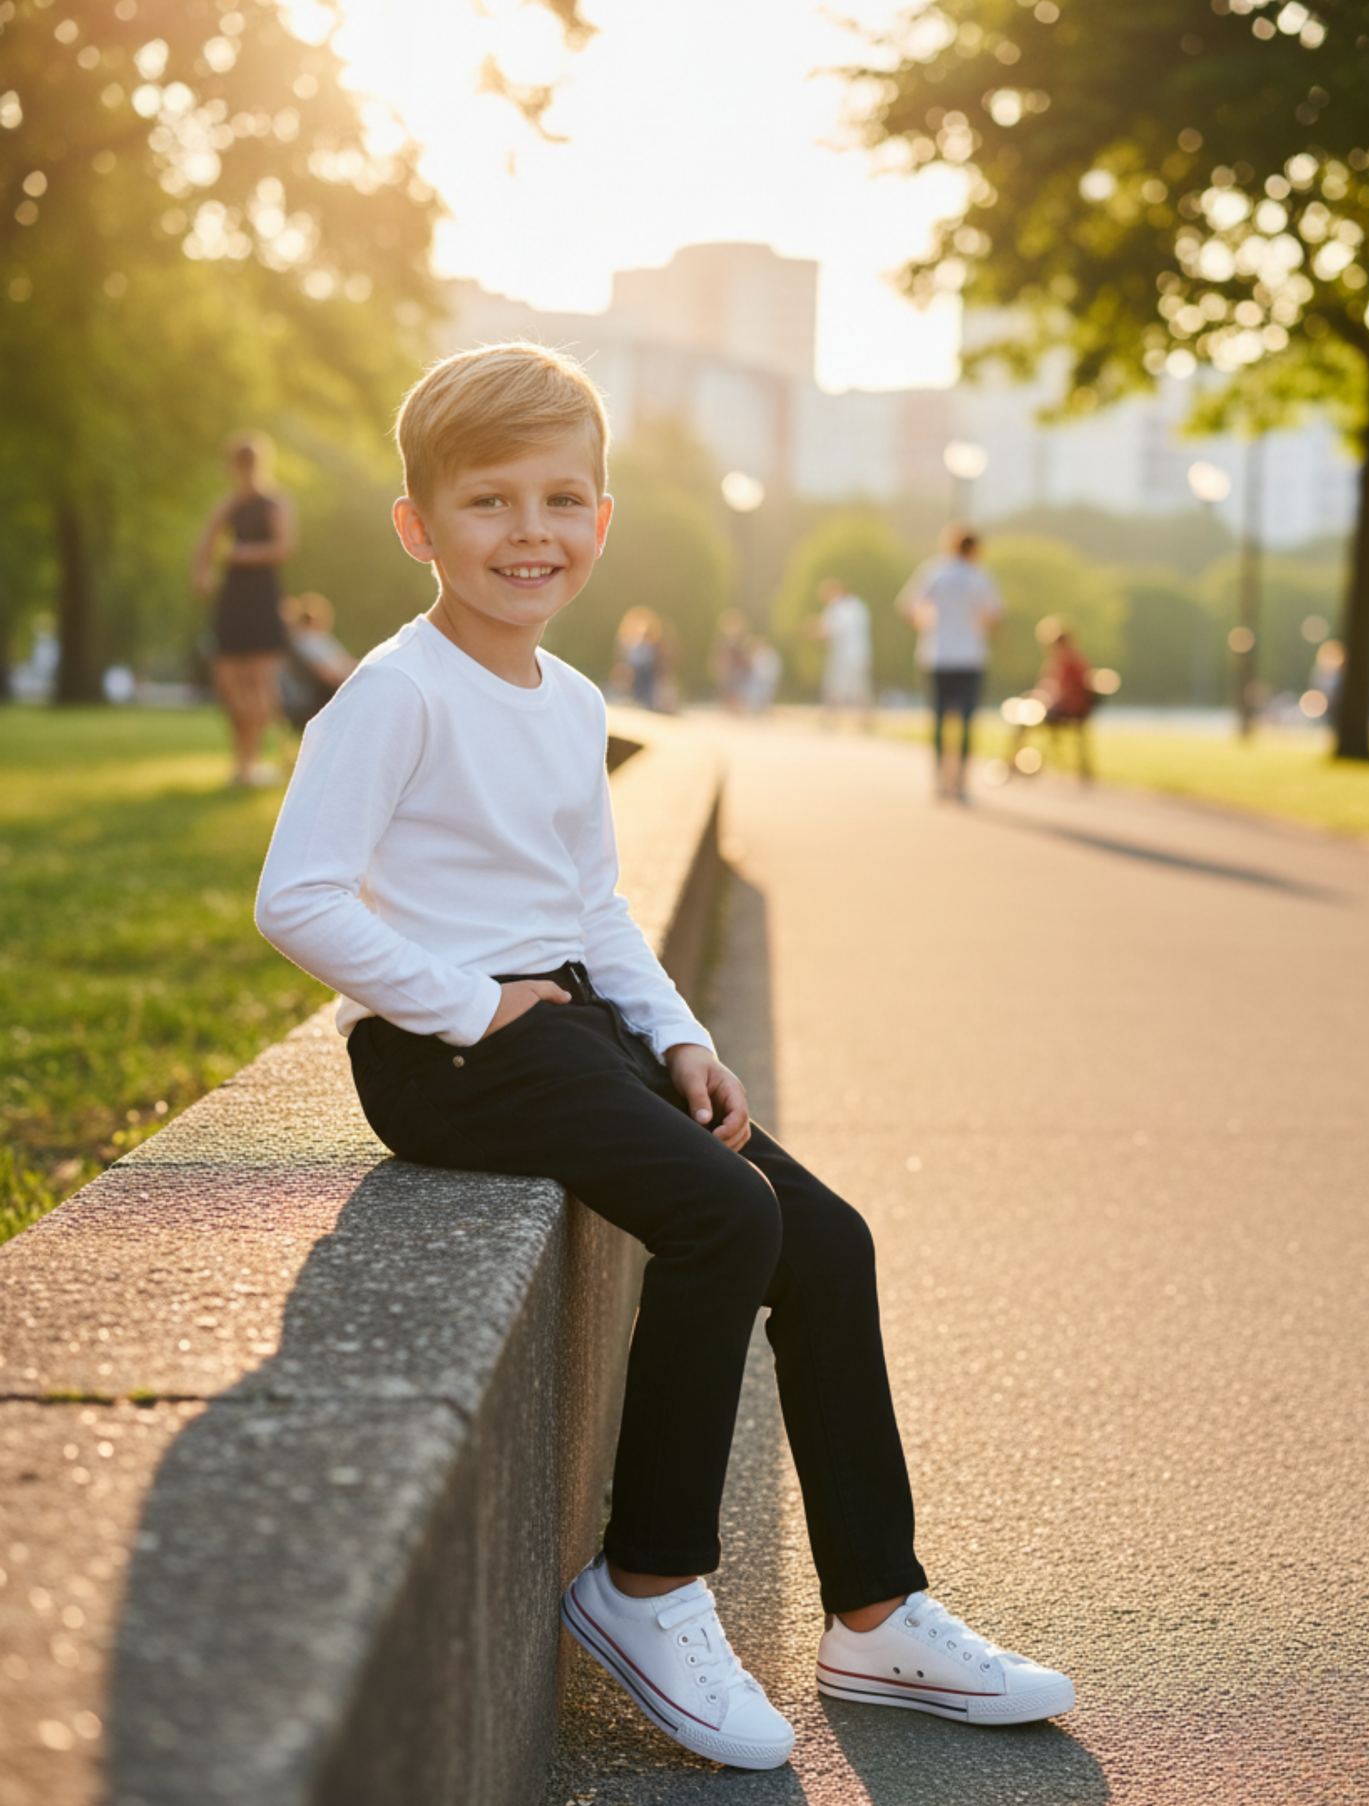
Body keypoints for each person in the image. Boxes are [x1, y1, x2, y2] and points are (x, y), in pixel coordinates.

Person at [254, 344, 1075, 1773]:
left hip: (570, 1023)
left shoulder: (570, 702)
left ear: (602, 521)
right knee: (724, 1212)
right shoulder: (398, 692)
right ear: (417, 526)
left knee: (826, 1239)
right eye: (488, 502)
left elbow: (591, 909)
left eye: (560, 499)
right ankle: (644, 1583)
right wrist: (465, 998)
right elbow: (299, 899)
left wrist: (681, 1035)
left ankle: (876, 1612)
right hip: (451, 1052)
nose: (529, 532)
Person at [191, 434, 295, 786]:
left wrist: (239, 554)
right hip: (232, 599)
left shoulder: (274, 503)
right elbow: (205, 544)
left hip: (261, 597)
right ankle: (242, 762)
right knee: (229, 685)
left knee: (260, 682)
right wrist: (202, 573)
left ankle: (254, 763)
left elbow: (282, 547)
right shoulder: (229, 505)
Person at [897, 526, 1003, 801]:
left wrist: (926, 622)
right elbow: (994, 615)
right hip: (970, 657)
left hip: (938, 655)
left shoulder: (935, 572)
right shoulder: (979, 577)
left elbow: (908, 605)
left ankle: (940, 781)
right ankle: (961, 783)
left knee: (939, 720)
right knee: (967, 722)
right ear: (976, 549)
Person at [1013, 616, 1096, 782]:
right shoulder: (1060, 662)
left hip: (1069, 711)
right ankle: (1016, 762)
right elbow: (1047, 689)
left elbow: (1067, 693)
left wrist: (1044, 701)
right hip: (1062, 708)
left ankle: (1013, 763)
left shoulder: (1072, 663)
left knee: (1024, 720)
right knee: (1024, 712)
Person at [279, 592, 358, 732]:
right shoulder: (306, 642)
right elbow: (324, 674)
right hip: (328, 691)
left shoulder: (321, 638)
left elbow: (342, 660)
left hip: (343, 679)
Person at [810, 577, 873, 728]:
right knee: (860, 688)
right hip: (860, 654)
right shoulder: (858, 606)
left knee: (833, 686)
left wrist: (814, 630)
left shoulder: (836, 608)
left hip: (842, 656)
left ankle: (829, 719)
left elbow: (831, 632)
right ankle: (866, 720)